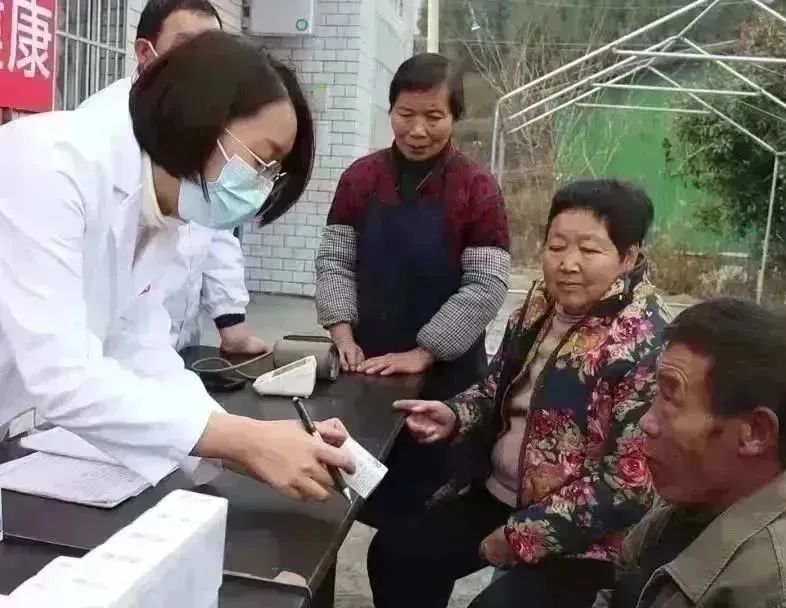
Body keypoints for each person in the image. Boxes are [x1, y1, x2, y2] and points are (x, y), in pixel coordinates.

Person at [0, 31, 354, 502]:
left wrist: (247, 442)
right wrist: (241, 440)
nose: (262, 184)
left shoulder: (162, 213)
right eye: (261, 160)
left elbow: (140, 350)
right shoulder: (51, 164)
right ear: (201, 118)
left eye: (274, 173)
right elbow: (63, 375)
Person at [367, 180, 671, 608]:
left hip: (586, 536)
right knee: (396, 553)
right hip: (500, 494)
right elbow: (497, 385)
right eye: (557, 246)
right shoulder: (540, 304)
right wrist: (455, 414)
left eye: (589, 250)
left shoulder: (646, 342)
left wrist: (519, 537)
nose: (567, 264)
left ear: (629, 257)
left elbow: (626, 486)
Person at [315, 53, 511, 525]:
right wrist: (342, 333)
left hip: (445, 382)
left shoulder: (477, 189)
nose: (418, 130)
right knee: (343, 496)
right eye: (406, 114)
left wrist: (424, 352)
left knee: (421, 520)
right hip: (366, 372)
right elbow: (335, 260)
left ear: (455, 116)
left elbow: (486, 284)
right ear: (390, 111)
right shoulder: (360, 179)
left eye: (434, 117)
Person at [592, 298, 786, 608]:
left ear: (755, 432)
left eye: (671, 398)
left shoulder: (774, 591)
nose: (647, 422)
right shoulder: (693, 500)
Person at [79, 0, 265, 354]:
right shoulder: (102, 129)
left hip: (176, 338)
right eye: (187, 49)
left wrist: (232, 322)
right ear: (144, 53)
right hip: (108, 349)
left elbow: (215, 221)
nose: (202, 67)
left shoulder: (199, 122)